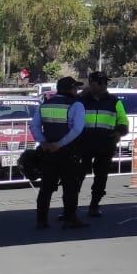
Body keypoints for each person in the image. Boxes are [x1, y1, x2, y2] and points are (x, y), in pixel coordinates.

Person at [34, 77, 88, 230]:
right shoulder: (76, 105)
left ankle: (41, 220)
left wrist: (43, 142)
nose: (76, 91)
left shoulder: (45, 105)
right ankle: (70, 218)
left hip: (48, 151)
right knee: (70, 186)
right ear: (70, 89)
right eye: (75, 88)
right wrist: (60, 144)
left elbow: (34, 126)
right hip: (67, 151)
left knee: (46, 187)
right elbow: (77, 129)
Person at [78, 71, 129, 218]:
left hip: (105, 145)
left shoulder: (114, 101)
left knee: (101, 177)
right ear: (91, 83)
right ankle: (70, 208)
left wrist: (119, 132)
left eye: (105, 83)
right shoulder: (82, 101)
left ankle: (94, 205)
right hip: (83, 145)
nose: (103, 85)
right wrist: (82, 94)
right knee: (76, 177)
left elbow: (123, 121)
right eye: (99, 82)